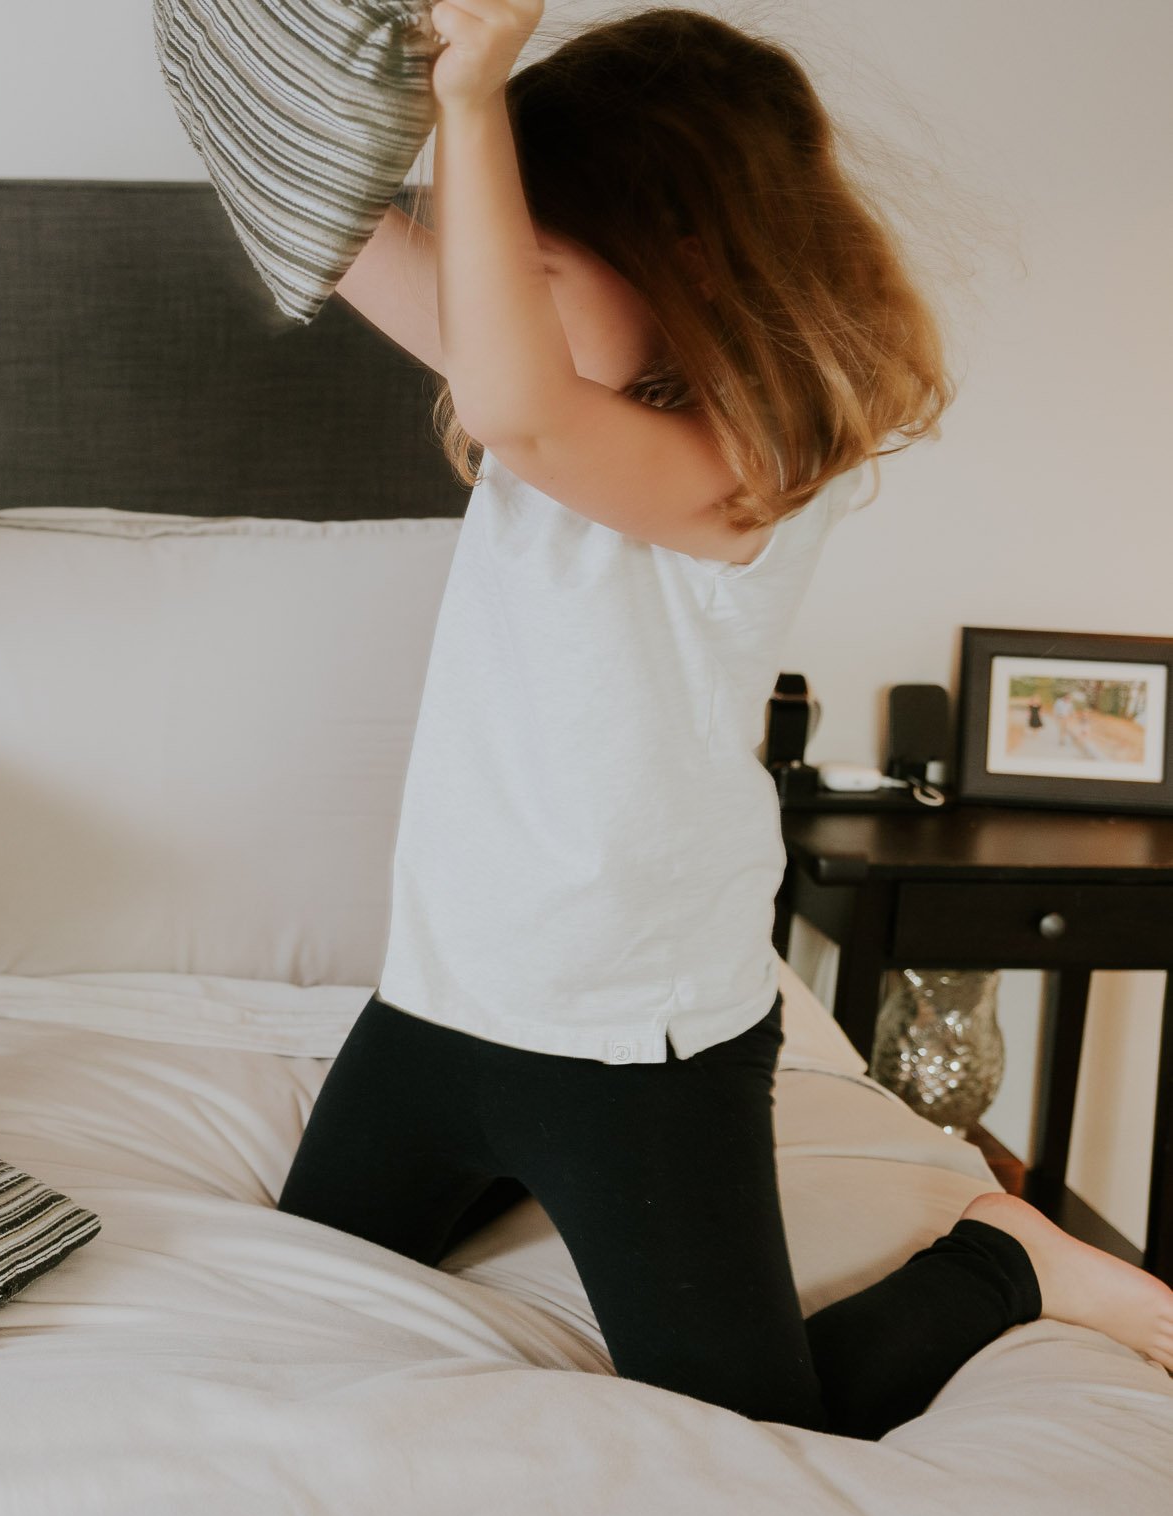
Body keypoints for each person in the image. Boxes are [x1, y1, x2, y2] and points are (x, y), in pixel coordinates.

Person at [276, 3, 1173, 1437]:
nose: (501, 302)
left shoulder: (739, 472)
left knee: (756, 1424)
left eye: (541, 268)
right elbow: (314, 215)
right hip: (441, 1009)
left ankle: (1011, 1261)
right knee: (289, 1292)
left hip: (639, 1047)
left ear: (690, 265)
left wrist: (483, 93)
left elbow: (510, 398)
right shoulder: (558, 402)